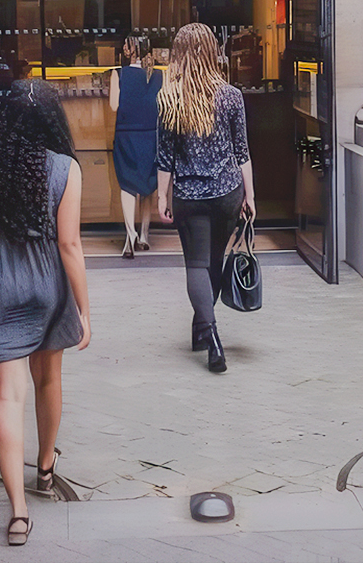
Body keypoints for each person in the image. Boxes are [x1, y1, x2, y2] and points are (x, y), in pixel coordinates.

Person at [0, 79, 92, 546]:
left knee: (6, 398)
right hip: (47, 288)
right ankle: (44, 468)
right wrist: (84, 308)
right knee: (49, 379)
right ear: (50, 120)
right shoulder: (66, 169)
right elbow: (70, 245)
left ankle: (17, 513)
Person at [155, 23, 254, 373]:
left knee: (197, 264)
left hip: (189, 195)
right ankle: (203, 328)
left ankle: (208, 334)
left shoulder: (169, 98)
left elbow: (165, 156)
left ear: (178, 55)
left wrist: (161, 195)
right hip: (228, 192)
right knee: (214, 260)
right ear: (212, 52)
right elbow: (242, 151)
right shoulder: (231, 96)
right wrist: (250, 195)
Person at [108, 35, 163, 258]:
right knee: (148, 185)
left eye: (126, 44)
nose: (122, 47)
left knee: (127, 184)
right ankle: (144, 235)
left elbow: (113, 106)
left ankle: (130, 233)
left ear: (132, 50)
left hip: (126, 134)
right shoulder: (158, 75)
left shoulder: (118, 73)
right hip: (150, 135)